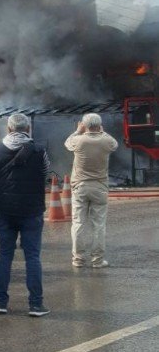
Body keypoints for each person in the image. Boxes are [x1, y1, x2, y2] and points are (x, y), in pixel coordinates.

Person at [0, 113, 50, 317]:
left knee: (5, 255)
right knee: (32, 256)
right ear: (28, 129)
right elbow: (45, 174)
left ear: (9, 129)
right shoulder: (39, 151)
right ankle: (36, 305)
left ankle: (0, 302)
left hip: (5, 211)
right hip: (32, 211)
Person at [64, 113, 118, 268]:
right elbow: (115, 144)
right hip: (100, 187)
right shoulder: (107, 140)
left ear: (84, 125)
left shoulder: (78, 141)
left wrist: (78, 131)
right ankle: (97, 260)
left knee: (78, 224)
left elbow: (67, 143)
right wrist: (102, 131)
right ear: (100, 125)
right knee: (99, 225)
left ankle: (78, 259)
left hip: (80, 187)